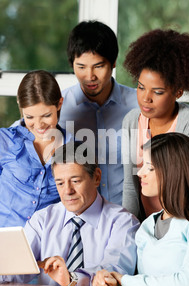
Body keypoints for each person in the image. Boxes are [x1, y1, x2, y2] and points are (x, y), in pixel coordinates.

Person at [0, 141, 140, 286]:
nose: (67, 191)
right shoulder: (42, 219)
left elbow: (113, 271)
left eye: (75, 181)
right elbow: (19, 267)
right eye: (60, 183)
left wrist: (73, 279)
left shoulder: (122, 222)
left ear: (96, 178)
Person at [0, 70, 72, 278]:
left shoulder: (74, 150)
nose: (39, 125)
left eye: (46, 115)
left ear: (60, 104)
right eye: (29, 117)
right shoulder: (4, 141)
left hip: (39, 258)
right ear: (20, 107)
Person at [98, 133, 189, 286]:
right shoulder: (147, 226)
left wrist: (126, 280)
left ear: (173, 172)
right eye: (142, 165)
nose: (140, 173)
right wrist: (111, 282)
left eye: (150, 167)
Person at [121, 28, 189, 221]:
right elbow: (130, 187)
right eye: (141, 87)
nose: (145, 98)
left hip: (187, 227)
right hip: (147, 229)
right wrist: (129, 233)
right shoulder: (131, 121)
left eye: (157, 92)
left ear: (178, 92)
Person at [58, 20, 138, 206]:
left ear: (113, 62)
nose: (90, 76)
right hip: (78, 223)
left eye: (98, 66)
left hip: (129, 219)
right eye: (81, 67)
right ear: (72, 64)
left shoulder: (138, 104)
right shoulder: (58, 109)